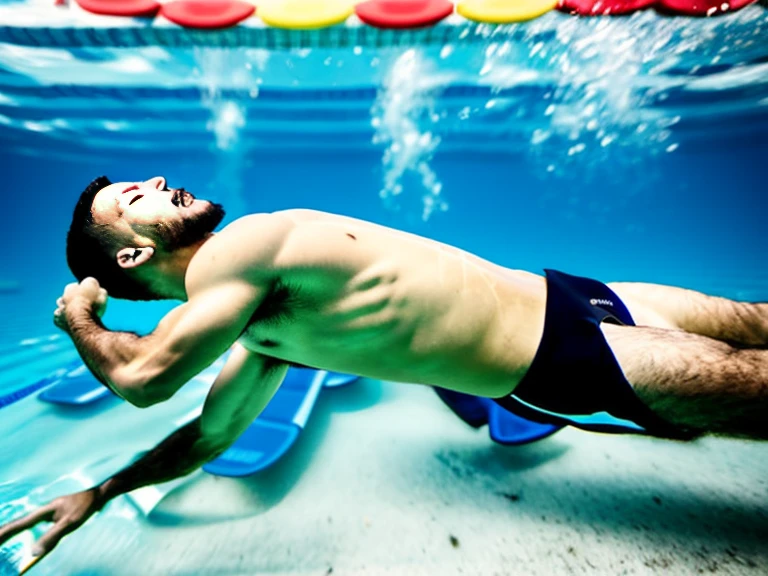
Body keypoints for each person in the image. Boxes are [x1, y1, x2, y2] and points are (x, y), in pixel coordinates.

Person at [1, 175, 766, 568]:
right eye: (134, 197)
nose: (158, 180)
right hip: (570, 348)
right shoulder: (260, 327)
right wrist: (103, 491)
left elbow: (151, 380)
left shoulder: (244, 263)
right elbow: (200, 428)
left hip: (571, 298)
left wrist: (83, 324)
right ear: (133, 254)